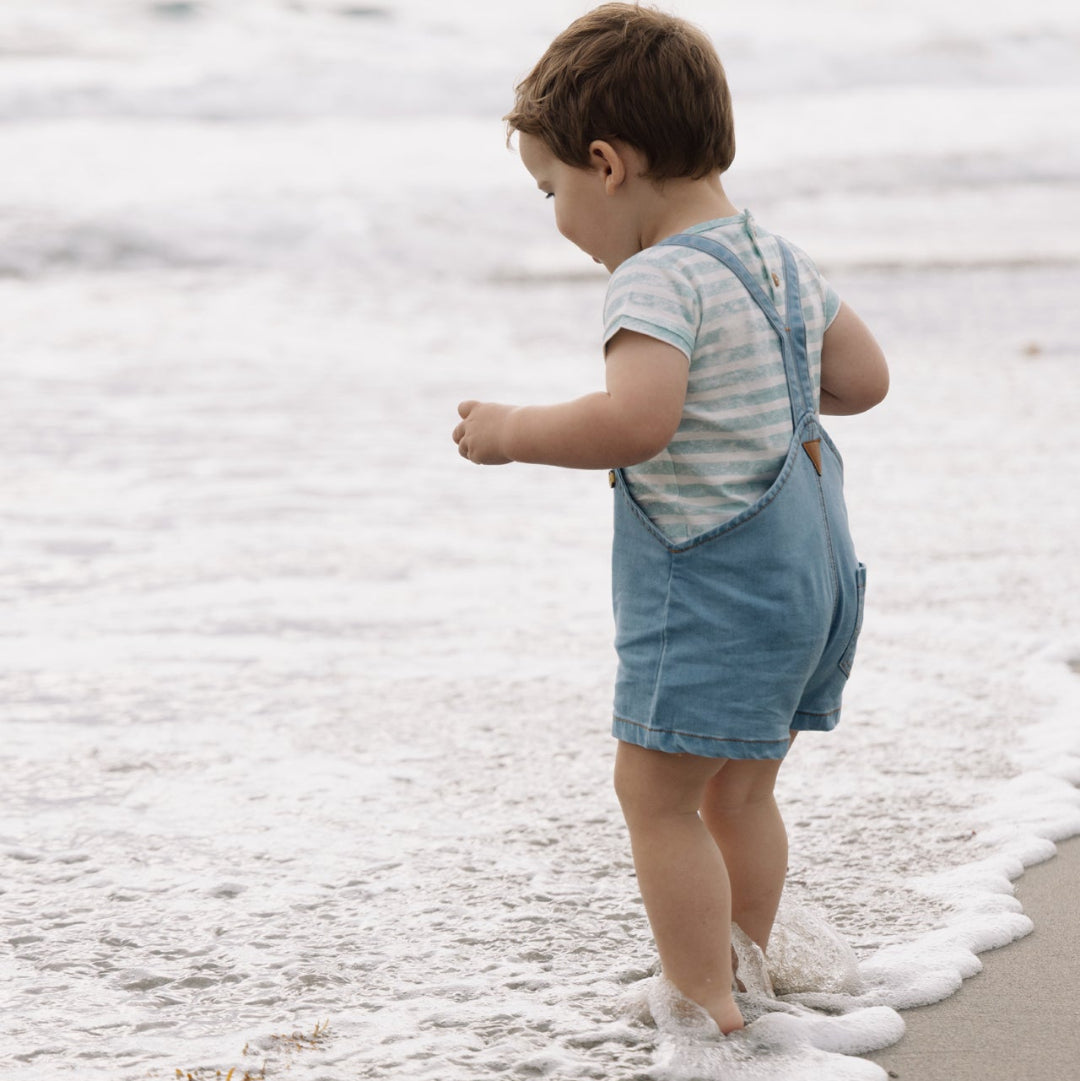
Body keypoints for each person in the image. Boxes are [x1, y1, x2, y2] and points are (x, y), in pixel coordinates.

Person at [452, 2, 888, 1035]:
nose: (555, 214)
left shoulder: (654, 280)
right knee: (739, 795)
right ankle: (748, 967)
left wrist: (512, 429)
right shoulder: (775, 257)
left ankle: (703, 1008)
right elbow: (864, 379)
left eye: (549, 188)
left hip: (716, 592)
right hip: (813, 584)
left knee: (657, 798)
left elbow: (637, 421)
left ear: (607, 164)